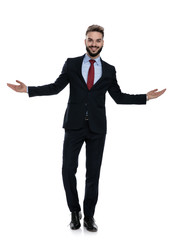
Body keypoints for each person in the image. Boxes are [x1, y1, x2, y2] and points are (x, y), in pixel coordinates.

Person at [7, 25, 166, 232]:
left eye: (98, 40)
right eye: (90, 40)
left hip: (97, 129)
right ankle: (75, 211)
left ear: (103, 43)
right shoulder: (72, 64)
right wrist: (28, 89)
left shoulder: (109, 70)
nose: (94, 44)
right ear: (85, 41)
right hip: (73, 126)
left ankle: (89, 216)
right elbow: (56, 87)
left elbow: (118, 97)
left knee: (93, 174)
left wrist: (145, 97)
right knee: (67, 170)